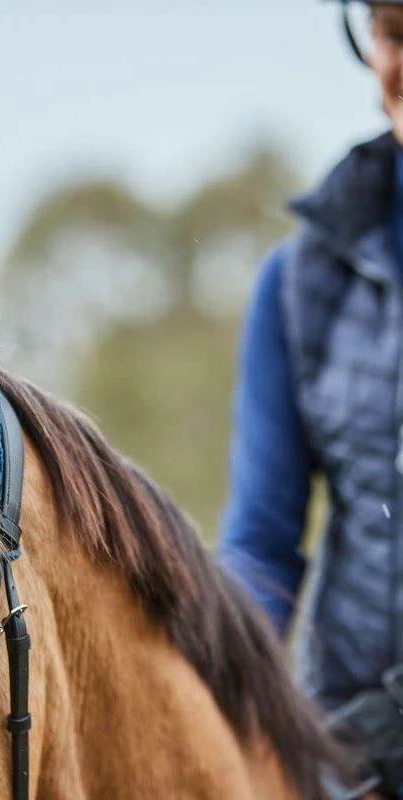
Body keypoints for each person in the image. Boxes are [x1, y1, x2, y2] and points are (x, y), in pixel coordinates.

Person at [219, 0, 403, 731]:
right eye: (394, 34)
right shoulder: (297, 282)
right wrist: (222, 692)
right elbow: (262, 538)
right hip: (350, 738)